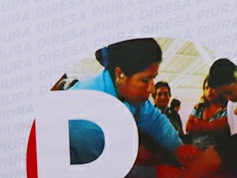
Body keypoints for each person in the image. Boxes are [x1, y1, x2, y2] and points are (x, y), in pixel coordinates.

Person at [67, 37, 186, 168]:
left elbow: (156, 121)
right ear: (120, 75)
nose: (152, 89)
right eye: (145, 80)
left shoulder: (132, 96)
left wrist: (178, 148)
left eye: (154, 78)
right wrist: (156, 174)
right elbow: (102, 169)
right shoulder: (86, 114)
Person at [185, 58, 237, 135]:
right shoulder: (199, 107)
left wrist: (198, 124)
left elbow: (221, 127)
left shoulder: (228, 107)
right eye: (206, 88)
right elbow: (188, 127)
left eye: (228, 92)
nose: (209, 91)